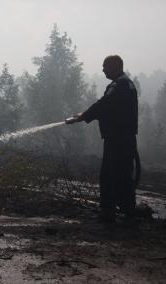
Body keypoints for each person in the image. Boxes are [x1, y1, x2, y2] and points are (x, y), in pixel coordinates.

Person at [66, 55, 139, 224]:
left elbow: (104, 105)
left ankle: (114, 214)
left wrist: (82, 117)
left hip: (118, 140)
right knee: (118, 175)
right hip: (121, 139)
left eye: (106, 66)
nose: (103, 69)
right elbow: (106, 107)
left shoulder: (119, 85)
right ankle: (121, 213)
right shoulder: (124, 84)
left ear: (116, 66)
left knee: (113, 176)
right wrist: (84, 116)